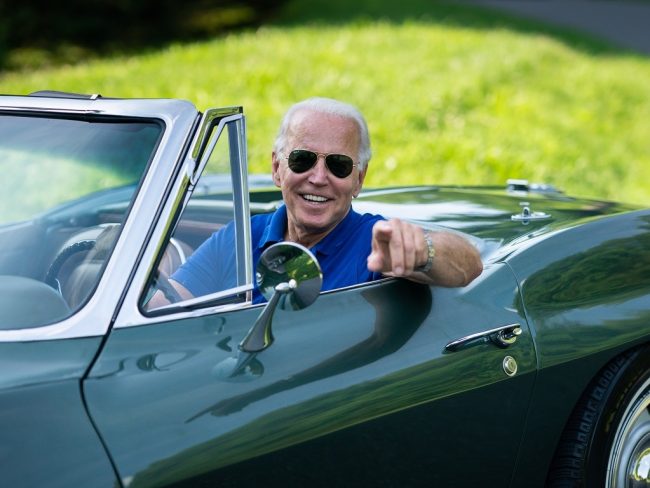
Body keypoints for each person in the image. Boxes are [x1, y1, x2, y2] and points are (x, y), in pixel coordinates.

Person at [152, 97, 482, 307]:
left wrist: (422, 251)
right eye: (302, 159)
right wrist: (148, 271)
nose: (319, 177)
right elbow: (170, 304)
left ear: (359, 180)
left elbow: (468, 264)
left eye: (338, 165)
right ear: (277, 168)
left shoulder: (376, 243)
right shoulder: (238, 237)